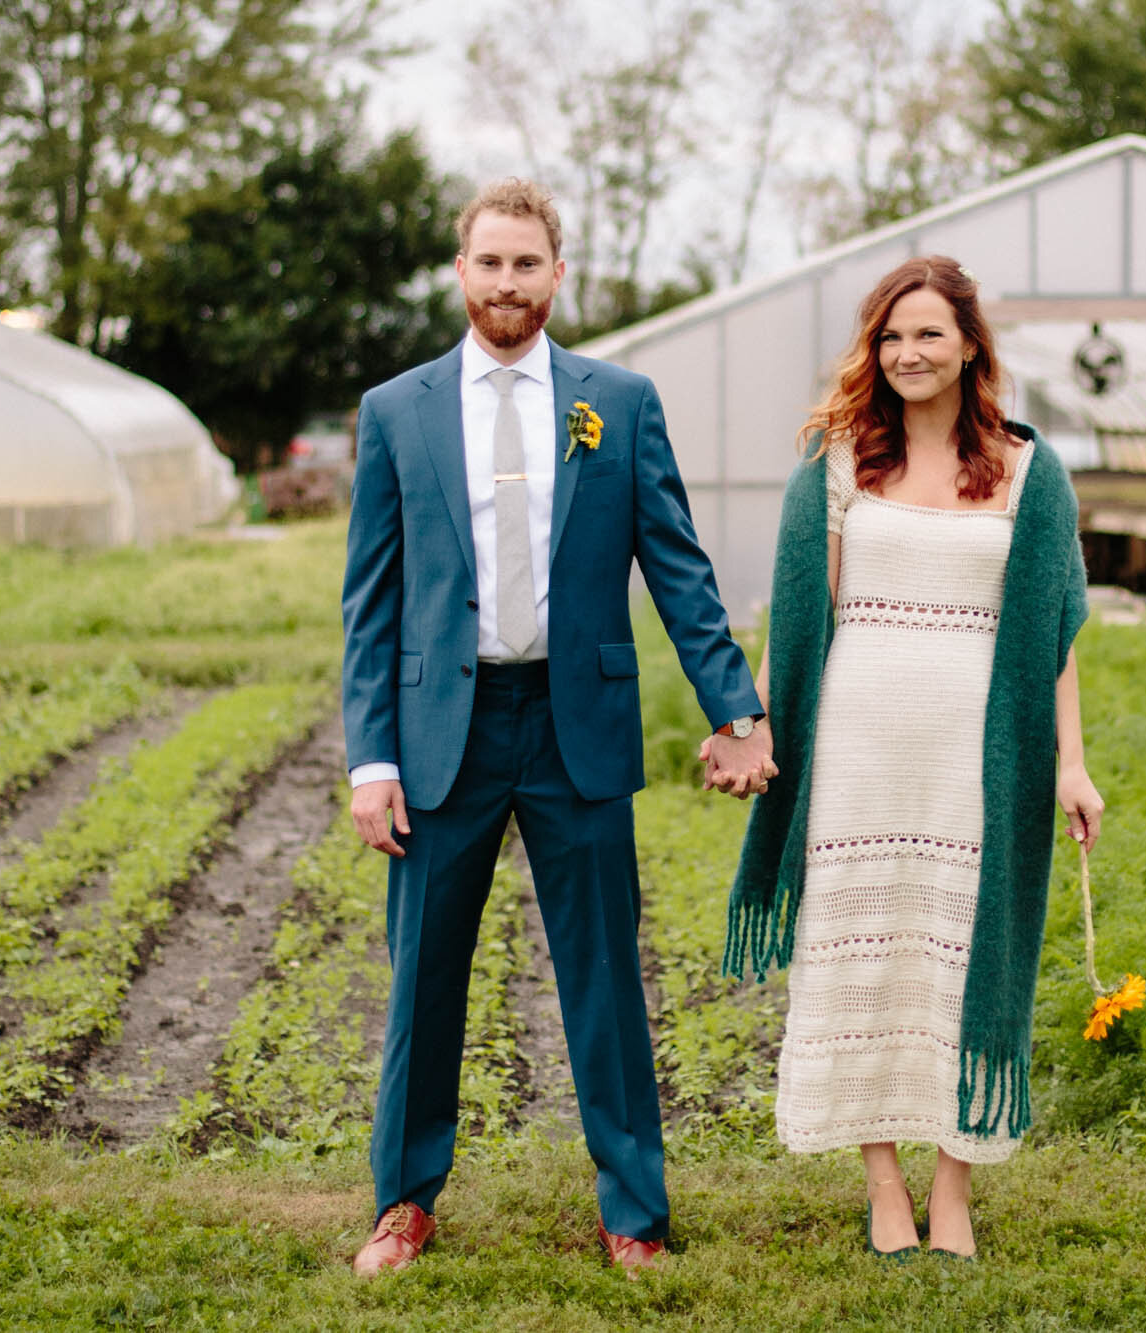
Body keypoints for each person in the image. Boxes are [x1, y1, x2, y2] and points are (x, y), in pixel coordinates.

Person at [341, 178, 775, 1279]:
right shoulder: (396, 410)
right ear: (460, 271)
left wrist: (735, 705)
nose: (506, 283)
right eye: (488, 263)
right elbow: (371, 600)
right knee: (422, 977)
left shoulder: (616, 403)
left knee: (601, 977)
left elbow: (676, 566)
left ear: (557, 274)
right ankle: (403, 1202)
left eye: (525, 264)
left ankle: (634, 1209)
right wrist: (371, 758)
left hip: (576, 727)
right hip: (446, 731)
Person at [718, 255, 1102, 1261]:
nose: (907, 353)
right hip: (855, 748)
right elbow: (796, 621)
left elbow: (1052, 636)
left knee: (960, 960)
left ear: (969, 344)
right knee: (866, 955)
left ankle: (954, 1187)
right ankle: (883, 1183)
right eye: (890, 336)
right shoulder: (841, 462)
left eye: (927, 333)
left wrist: (1069, 764)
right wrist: (752, 724)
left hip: (976, 757)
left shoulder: (1028, 471)